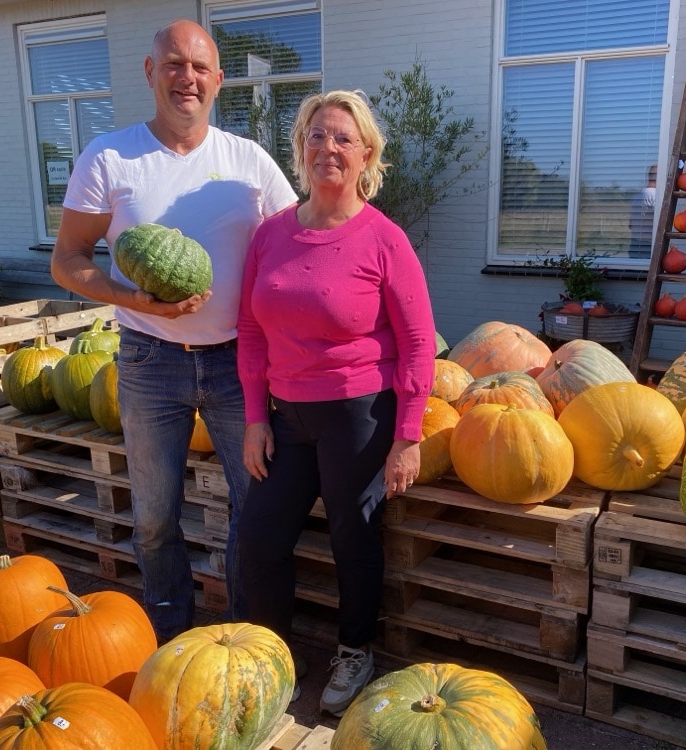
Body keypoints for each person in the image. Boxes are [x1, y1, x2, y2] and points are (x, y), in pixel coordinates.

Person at [49, 19, 297, 642]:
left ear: (218, 79)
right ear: (150, 71)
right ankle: (169, 637)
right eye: (174, 64)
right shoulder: (110, 157)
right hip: (147, 359)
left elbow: (298, 248)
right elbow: (68, 259)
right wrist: (135, 299)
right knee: (156, 518)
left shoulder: (248, 162)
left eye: (200, 66)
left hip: (240, 365)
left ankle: (250, 641)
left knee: (255, 511)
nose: (187, 77)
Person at [234, 90, 436, 716]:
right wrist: (255, 419)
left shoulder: (384, 239)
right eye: (317, 135)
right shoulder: (271, 236)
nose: (329, 147)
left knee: (355, 538)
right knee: (259, 540)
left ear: (366, 152)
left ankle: (355, 650)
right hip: (285, 416)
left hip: (358, 414)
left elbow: (418, 342)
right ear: (301, 149)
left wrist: (407, 435)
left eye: (344, 138)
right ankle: (274, 660)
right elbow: (250, 331)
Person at [628, 164, 658, 259]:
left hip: (636, 244)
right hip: (647, 246)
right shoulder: (653, 195)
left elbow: (630, 224)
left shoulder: (638, 195)